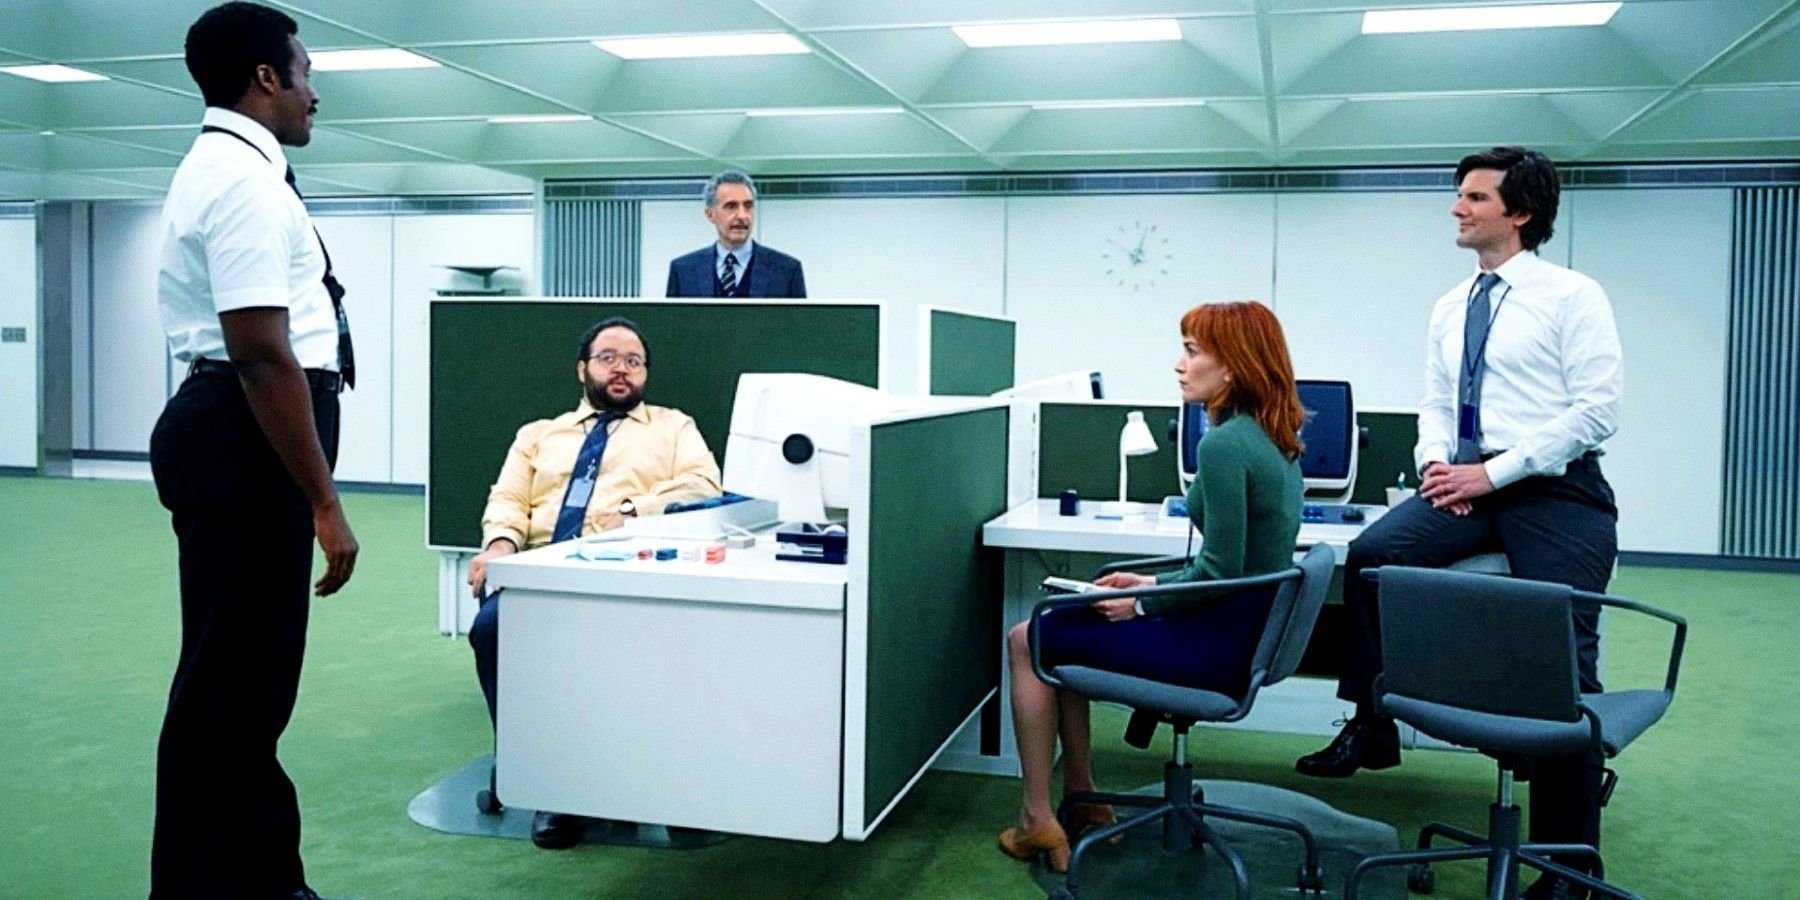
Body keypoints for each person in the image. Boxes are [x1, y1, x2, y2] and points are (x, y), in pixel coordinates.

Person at [1295, 146, 1622, 900]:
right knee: (1372, 556)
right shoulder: (1453, 304)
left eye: (1475, 197)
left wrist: (1495, 472)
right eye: (1459, 196)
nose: (1457, 208)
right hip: (1466, 480)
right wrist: (1440, 463)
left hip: (1554, 489)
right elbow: (1438, 400)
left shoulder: (1573, 295)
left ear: (1520, 212)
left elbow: (1597, 410)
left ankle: (1568, 865)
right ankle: (1373, 723)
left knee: (1564, 661)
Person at [148, 4, 358, 898]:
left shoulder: (236, 169)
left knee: (243, 688)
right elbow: (262, 352)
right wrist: (324, 503)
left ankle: (263, 878)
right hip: (247, 444)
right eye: (305, 72)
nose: (315, 94)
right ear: (266, 79)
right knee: (232, 690)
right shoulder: (242, 183)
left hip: (241, 437)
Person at [997, 301, 1306, 872]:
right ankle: (1084, 801)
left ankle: (1035, 817)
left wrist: (1140, 601)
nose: (1179, 365)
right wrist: (1148, 581)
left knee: (1028, 635)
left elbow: (1220, 572)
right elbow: (1235, 566)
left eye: (1192, 351)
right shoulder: (1275, 438)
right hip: (1239, 629)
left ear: (1233, 367)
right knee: (1071, 624)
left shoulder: (1224, 444)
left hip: (1215, 646)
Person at [467, 316, 722, 848]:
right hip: (542, 572)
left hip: (626, 573)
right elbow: (509, 502)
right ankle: (539, 777)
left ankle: (654, 780)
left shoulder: (674, 428)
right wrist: (500, 548)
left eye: (634, 361)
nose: (622, 369)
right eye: (609, 357)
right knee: (491, 628)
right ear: (583, 368)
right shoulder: (538, 434)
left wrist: (635, 510)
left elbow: (704, 485)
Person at [665, 170, 807, 298]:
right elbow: (670, 325)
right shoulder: (683, 271)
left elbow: (800, 326)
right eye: (731, 206)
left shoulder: (787, 270)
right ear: (710, 214)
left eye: (748, 206)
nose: (742, 215)